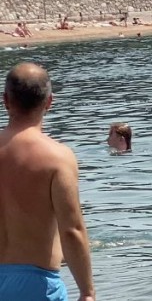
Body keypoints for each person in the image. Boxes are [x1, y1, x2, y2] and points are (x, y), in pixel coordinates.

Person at [0, 63, 96, 301]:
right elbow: (72, 230)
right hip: (36, 285)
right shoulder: (57, 157)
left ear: (6, 100)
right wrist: (87, 292)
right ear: (49, 102)